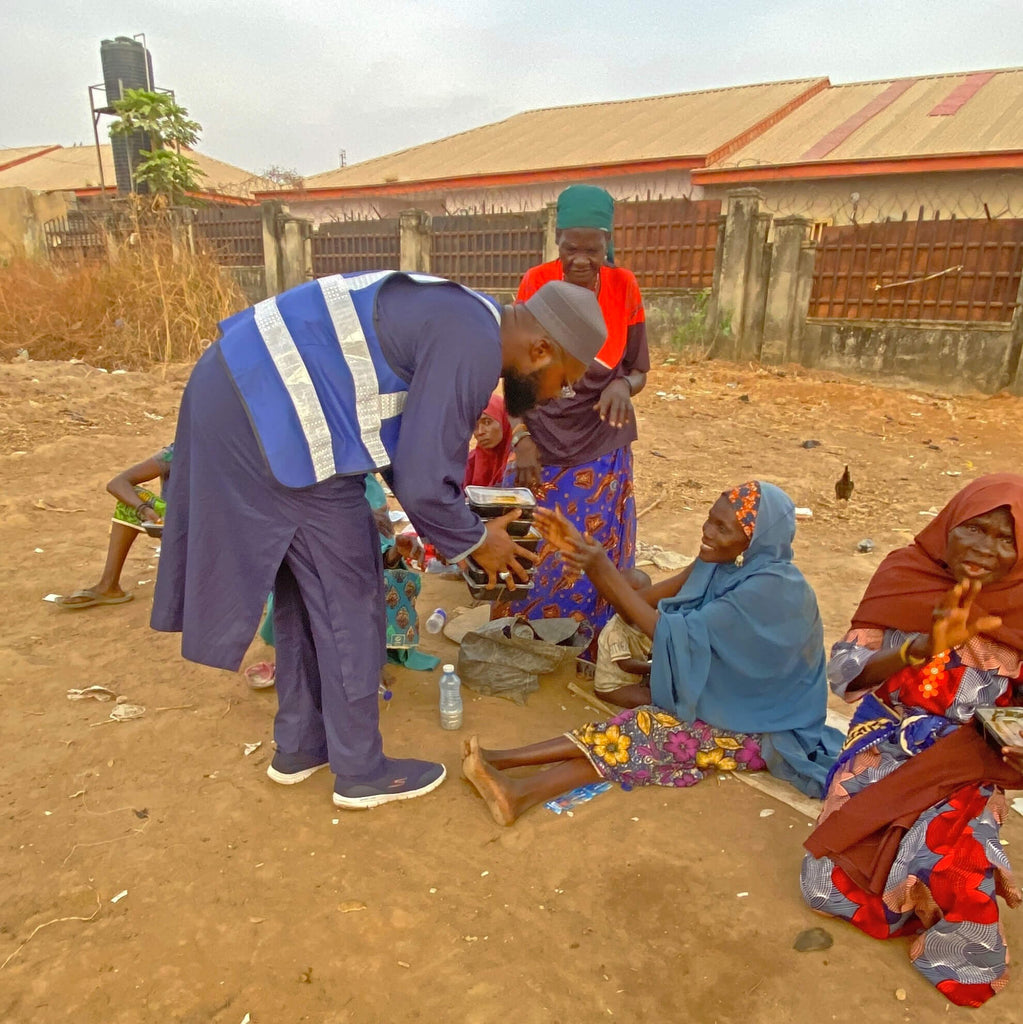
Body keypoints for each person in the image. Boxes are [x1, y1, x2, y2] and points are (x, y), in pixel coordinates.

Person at [151, 271, 606, 810]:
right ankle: (362, 771)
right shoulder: (473, 343)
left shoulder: (463, 314)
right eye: (565, 379)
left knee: (308, 585)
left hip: (240, 395)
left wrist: (454, 527)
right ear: (542, 349)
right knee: (351, 595)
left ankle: (301, 746)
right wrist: (475, 540)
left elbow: (399, 440)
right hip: (272, 414)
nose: (558, 394)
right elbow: (419, 475)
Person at [462, 480, 842, 825]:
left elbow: (663, 631)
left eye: (723, 528)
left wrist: (601, 565)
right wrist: (591, 562)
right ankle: (503, 763)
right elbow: (641, 608)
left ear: (754, 542)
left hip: (768, 727)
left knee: (650, 731)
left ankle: (518, 786)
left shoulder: (773, 589)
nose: (707, 532)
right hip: (735, 699)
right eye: (710, 519)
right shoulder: (719, 565)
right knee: (651, 728)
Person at [800, 475, 1023, 1008]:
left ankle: (954, 944)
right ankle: (904, 895)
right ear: (948, 522)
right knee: (824, 886)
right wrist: (917, 648)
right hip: (887, 740)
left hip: (972, 753)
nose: (984, 550)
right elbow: (843, 675)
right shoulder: (905, 575)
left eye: (1004, 539)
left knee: (958, 850)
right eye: (973, 529)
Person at [494, 184, 649, 653]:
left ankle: (590, 632)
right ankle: (525, 627)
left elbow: (638, 368)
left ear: (608, 243)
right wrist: (521, 436)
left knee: (589, 543)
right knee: (530, 534)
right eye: (569, 247)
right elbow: (515, 370)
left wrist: (623, 384)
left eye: (592, 249)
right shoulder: (534, 283)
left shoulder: (624, 287)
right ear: (556, 241)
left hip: (600, 439)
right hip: (540, 435)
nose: (580, 259)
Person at [56, 445, 173, 610]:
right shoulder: (175, 454)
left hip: (208, 529)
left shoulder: (199, 449)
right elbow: (117, 483)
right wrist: (145, 510)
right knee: (132, 500)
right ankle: (108, 585)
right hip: (183, 525)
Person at [593, 567, 653, 698]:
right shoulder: (616, 631)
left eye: (646, 595)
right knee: (651, 700)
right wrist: (654, 668)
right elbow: (626, 664)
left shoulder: (645, 621)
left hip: (634, 677)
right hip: (614, 686)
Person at [463, 392, 512, 489]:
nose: (480, 432)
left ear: (504, 420)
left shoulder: (522, 461)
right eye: (474, 426)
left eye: (487, 422)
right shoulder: (470, 463)